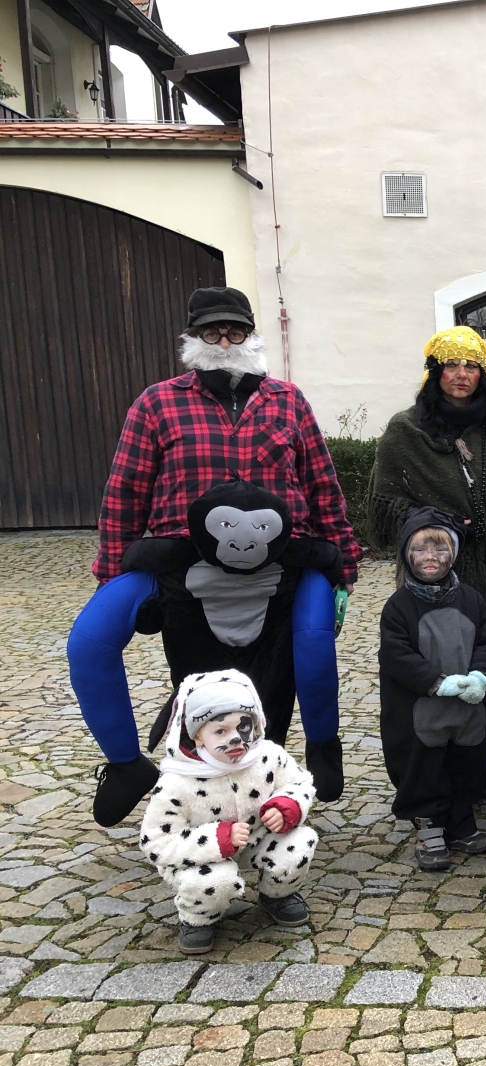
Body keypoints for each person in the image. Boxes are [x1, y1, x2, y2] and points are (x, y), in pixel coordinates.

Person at [90, 286, 357, 824]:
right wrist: (112, 577)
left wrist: (343, 565)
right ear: (194, 336)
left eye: (235, 330)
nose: (225, 341)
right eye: (212, 331)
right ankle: (196, 797)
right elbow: (125, 492)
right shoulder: (157, 402)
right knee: (200, 688)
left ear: (250, 335)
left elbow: (321, 485)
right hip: (186, 576)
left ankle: (267, 791)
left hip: (280, 574)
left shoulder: (288, 401)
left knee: (272, 690)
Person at [368, 326, 486, 796]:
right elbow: (385, 503)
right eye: (451, 365)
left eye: (471, 365)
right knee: (446, 660)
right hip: (440, 573)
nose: (461, 374)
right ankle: (445, 768)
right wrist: (437, 524)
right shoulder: (406, 431)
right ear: (435, 371)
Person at [141, 670, 318, 955]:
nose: (235, 738)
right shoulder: (177, 781)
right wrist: (217, 839)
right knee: (215, 881)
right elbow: (155, 841)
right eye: (220, 731)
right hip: (199, 860)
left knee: (300, 843)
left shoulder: (268, 756)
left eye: (243, 726)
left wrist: (287, 805)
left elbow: (300, 783)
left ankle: (277, 895)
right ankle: (197, 919)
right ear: (198, 735)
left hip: (257, 838)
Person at [379, 508, 486, 871]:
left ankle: (461, 819)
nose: (430, 557)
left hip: (467, 707)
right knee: (423, 767)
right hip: (420, 711)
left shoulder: (471, 599)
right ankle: (429, 826)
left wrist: (481, 676)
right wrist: (436, 681)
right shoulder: (398, 607)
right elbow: (396, 655)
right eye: (420, 549)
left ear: (454, 553)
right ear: (407, 554)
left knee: (467, 763)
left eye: (439, 549)